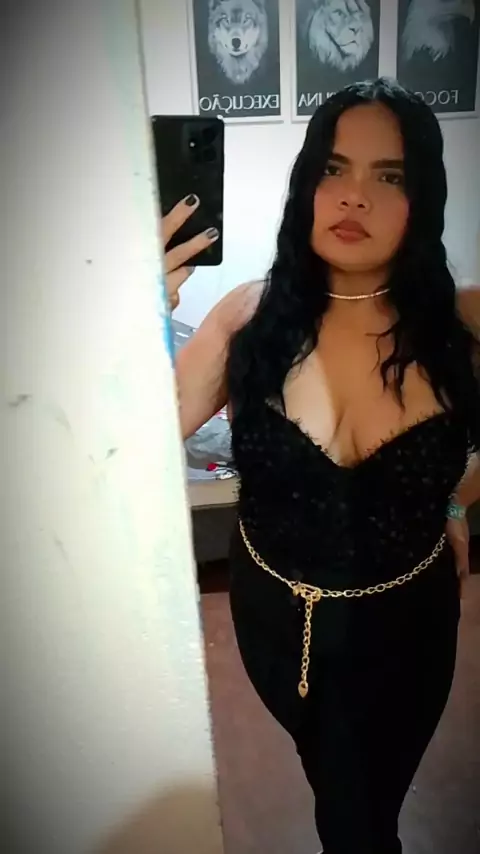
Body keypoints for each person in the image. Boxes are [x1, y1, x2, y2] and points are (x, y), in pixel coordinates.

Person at [162, 78, 480, 853]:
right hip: (275, 620)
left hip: (412, 622)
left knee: (363, 811)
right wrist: (139, 308)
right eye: (334, 168)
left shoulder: (463, 322)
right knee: (337, 783)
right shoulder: (248, 318)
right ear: (307, 184)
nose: (354, 196)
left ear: (423, 199)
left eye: (389, 175)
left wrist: (455, 501)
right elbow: (130, 445)